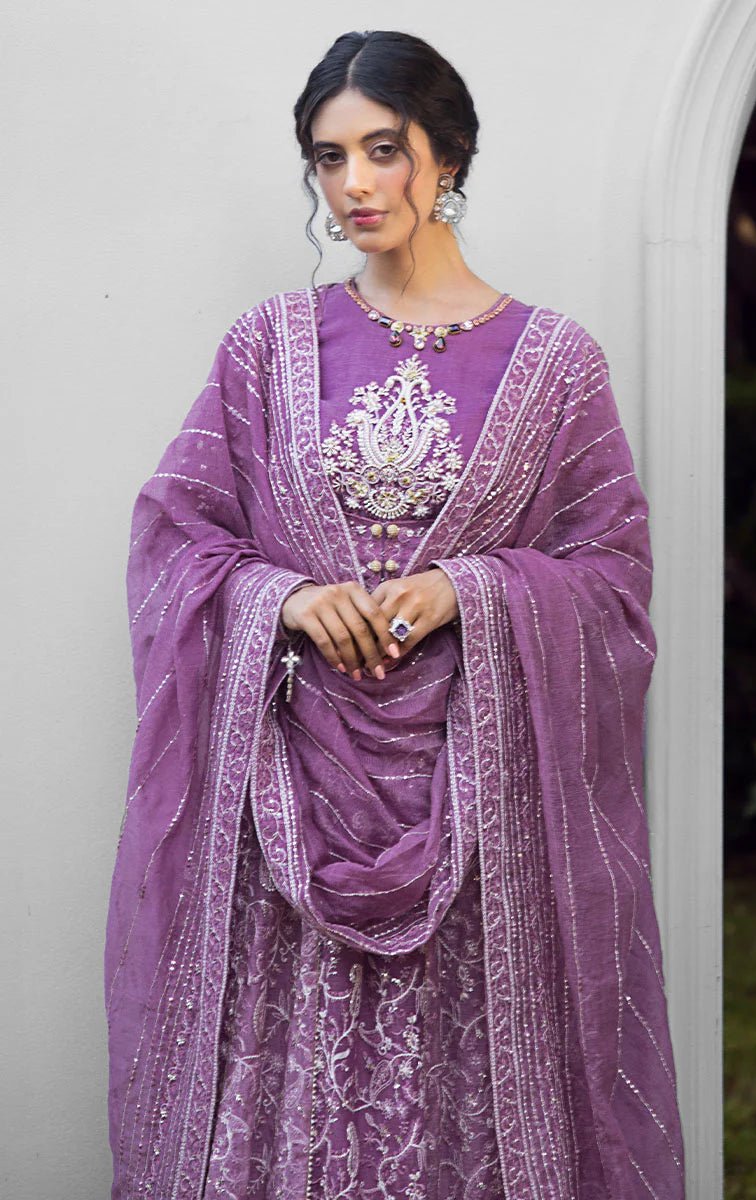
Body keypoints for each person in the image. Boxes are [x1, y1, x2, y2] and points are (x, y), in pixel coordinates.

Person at [104, 28, 686, 1200]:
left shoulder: (556, 363)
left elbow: (614, 577)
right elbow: (178, 538)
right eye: (328, 158)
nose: (354, 185)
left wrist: (473, 588)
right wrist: (288, 598)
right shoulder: (267, 349)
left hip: (481, 824)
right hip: (294, 814)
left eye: (383, 149)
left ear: (448, 153)